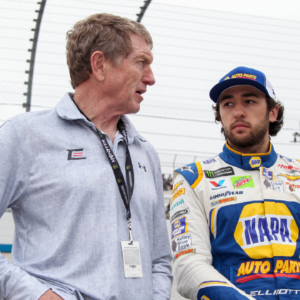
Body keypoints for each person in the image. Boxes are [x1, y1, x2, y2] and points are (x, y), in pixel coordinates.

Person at [0, 13, 172, 300]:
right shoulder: (23, 136)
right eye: (141, 62)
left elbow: (160, 260)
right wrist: (37, 294)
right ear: (100, 65)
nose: (151, 78)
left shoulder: (145, 153)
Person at [171, 66, 300, 299]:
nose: (238, 112)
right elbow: (188, 265)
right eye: (228, 104)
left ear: (273, 112)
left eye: (249, 101)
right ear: (219, 115)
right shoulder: (194, 179)